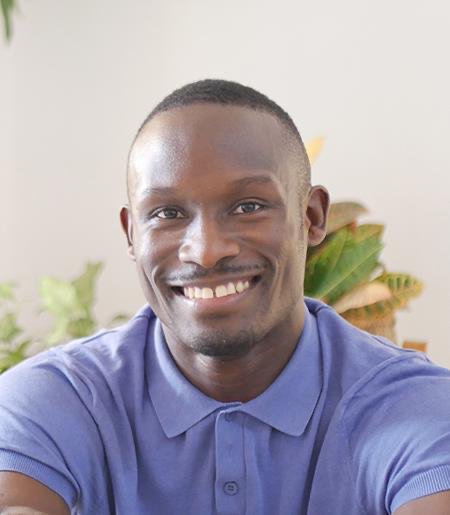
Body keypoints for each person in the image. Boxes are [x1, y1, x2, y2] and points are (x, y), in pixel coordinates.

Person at [0, 79, 449, 515]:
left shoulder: (413, 404)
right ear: (131, 234)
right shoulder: (54, 399)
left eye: (248, 206)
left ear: (311, 217)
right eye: (167, 213)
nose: (207, 251)